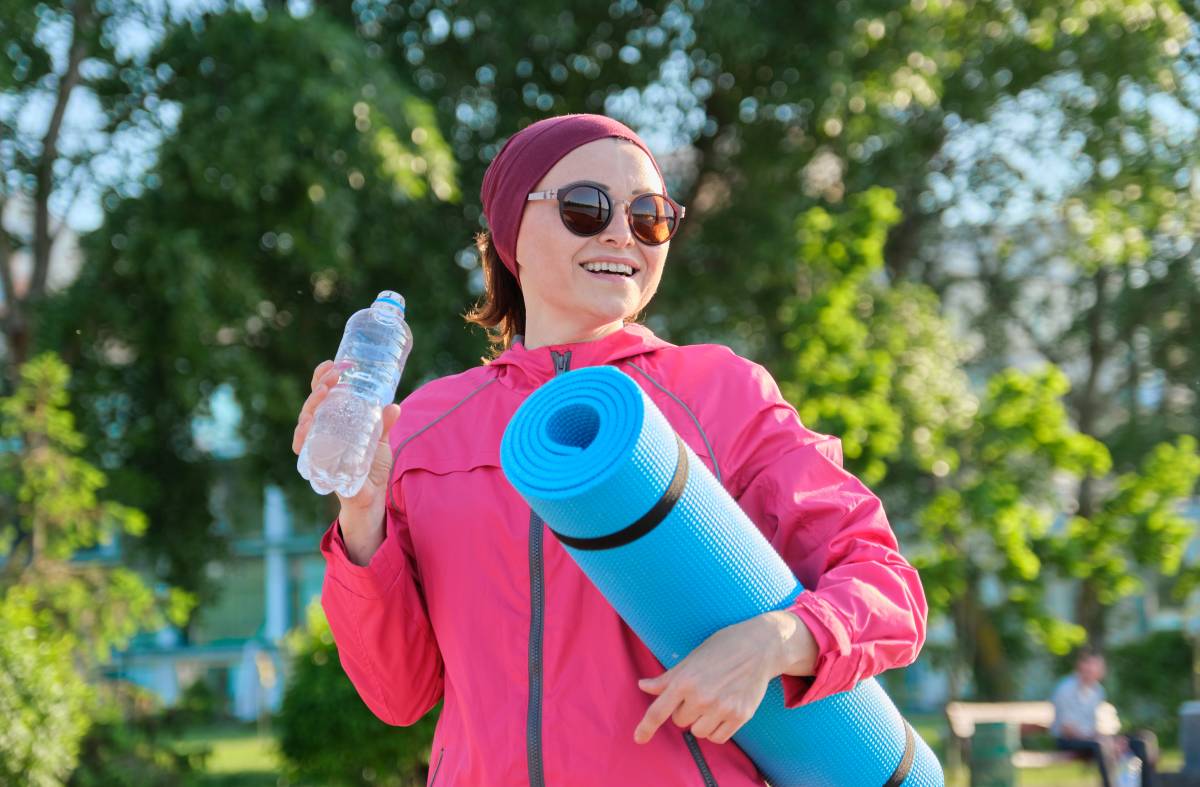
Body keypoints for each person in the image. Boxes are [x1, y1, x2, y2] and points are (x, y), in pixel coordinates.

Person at [293, 113, 928, 785]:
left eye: (651, 215)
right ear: (511, 233)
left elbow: (887, 589)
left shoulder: (723, 394)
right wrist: (361, 518)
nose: (623, 232)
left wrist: (773, 642)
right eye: (585, 207)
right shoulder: (422, 425)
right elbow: (399, 693)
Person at [1051, 646, 1158, 787]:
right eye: (1092, 665)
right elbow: (1068, 730)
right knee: (1101, 745)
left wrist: (1114, 739)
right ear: (1081, 666)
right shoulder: (1065, 689)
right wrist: (1105, 741)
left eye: (1099, 666)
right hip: (1068, 741)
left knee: (1142, 740)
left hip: (1093, 739)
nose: (1097, 669)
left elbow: (1098, 725)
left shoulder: (1097, 690)